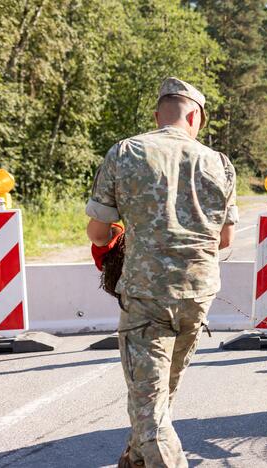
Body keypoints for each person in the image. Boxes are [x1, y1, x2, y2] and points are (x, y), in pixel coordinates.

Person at [86, 77, 237, 467]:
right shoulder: (220, 163)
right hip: (197, 297)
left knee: (150, 414)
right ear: (195, 116)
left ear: (158, 114)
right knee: (159, 398)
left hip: (148, 299)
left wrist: (121, 234)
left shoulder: (126, 152)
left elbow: (99, 233)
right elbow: (224, 240)